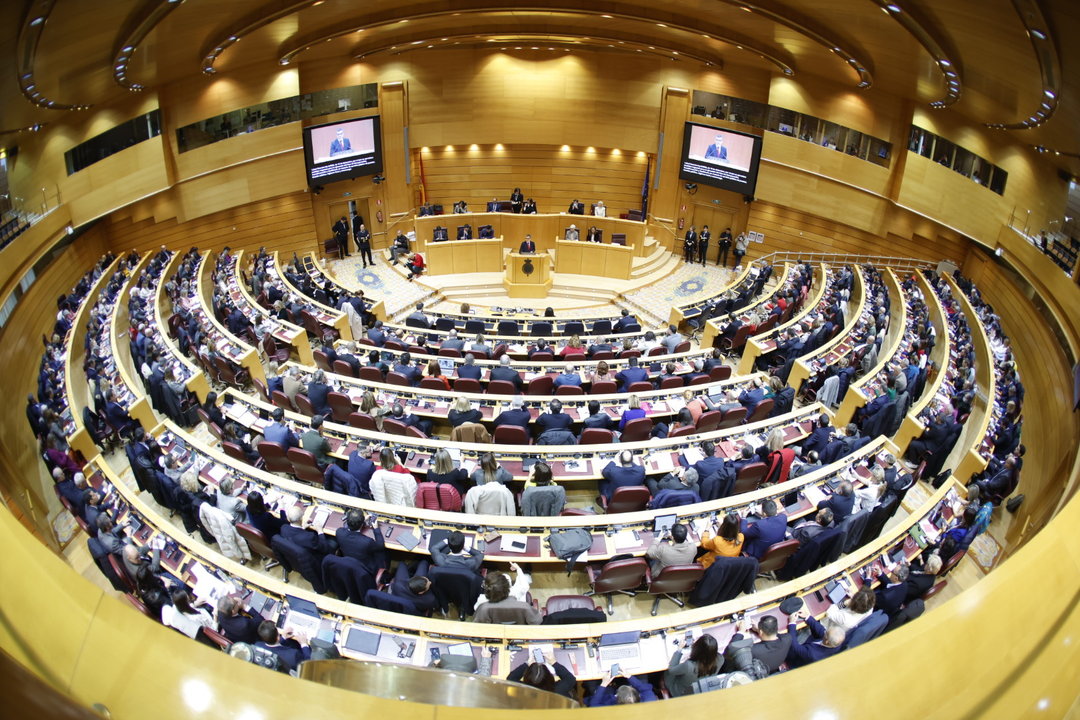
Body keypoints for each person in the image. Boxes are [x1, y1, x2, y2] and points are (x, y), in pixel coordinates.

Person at [723, 615, 791, 675]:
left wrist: (741, 632)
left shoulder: (753, 650)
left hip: (756, 673)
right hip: (772, 669)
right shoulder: (787, 639)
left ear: (761, 632)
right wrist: (760, 630)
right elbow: (776, 633)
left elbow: (730, 649)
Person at [474, 571, 541, 624]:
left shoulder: (482, 606)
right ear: (508, 588)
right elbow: (537, 622)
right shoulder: (525, 606)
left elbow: (478, 623)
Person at [335, 509, 385, 574]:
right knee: (383, 553)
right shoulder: (367, 542)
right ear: (361, 525)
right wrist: (376, 528)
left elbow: (346, 528)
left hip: (349, 563)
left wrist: (360, 521)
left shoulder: (339, 532)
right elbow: (381, 546)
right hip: (366, 569)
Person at [507, 653, 577, 699]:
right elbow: (570, 679)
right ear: (549, 678)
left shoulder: (522, 691)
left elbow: (510, 679)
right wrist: (554, 663)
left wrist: (527, 664)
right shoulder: (558, 690)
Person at [587, 669, 656, 706]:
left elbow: (594, 704)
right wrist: (629, 676)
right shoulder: (649, 701)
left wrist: (604, 684)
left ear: (616, 697)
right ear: (638, 696)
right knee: (642, 676)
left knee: (591, 680)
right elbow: (646, 690)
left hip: (608, 698)